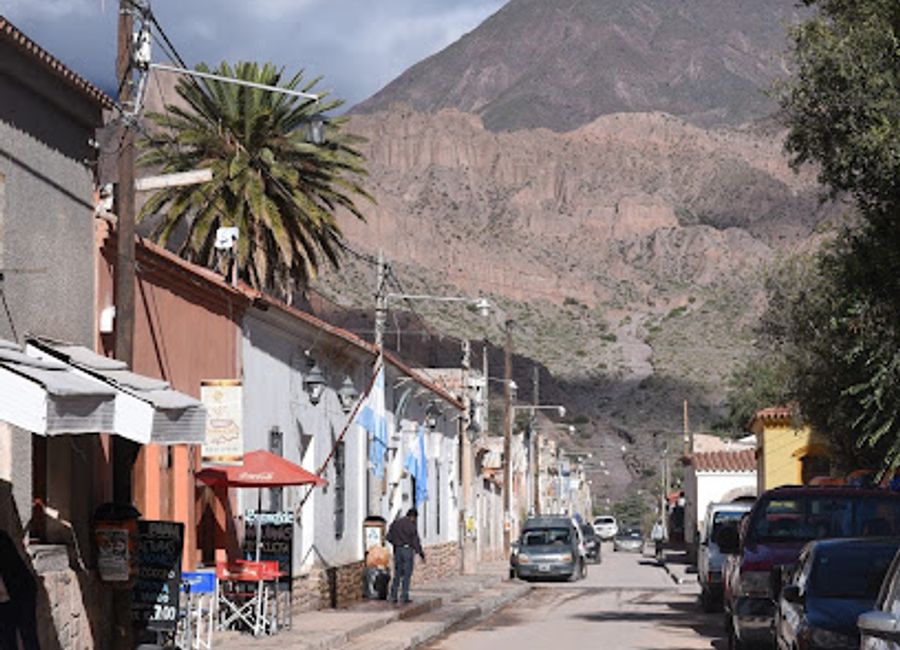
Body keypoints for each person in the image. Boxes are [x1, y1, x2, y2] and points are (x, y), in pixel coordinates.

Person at [0, 528, 39, 649]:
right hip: (4, 600)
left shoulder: (1, 538)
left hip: (21, 592)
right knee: (6, 643)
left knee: (29, 639)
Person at [386, 508, 425, 604]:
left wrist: (396, 544)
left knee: (397, 573)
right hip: (407, 550)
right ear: (413, 517)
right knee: (407, 574)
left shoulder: (396, 523)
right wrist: (421, 553)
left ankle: (393, 596)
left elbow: (388, 537)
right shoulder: (411, 526)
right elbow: (415, 541)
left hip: (397, 550)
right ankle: (404, 596)